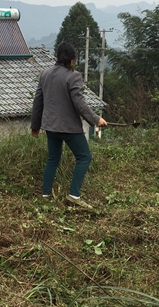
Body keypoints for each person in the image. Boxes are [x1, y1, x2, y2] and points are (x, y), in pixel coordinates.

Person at [31, 42, 107, 208]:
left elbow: (38, 101)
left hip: (50, 126)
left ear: (58, 57)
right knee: (84, 157)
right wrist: (96, 120)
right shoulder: (74, 76)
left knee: (52, 159)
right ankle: (74, 195)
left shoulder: (45, 74)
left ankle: (45, 195)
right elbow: (79, 104)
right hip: (69, 127)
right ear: (73, 59)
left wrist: (35, 126)